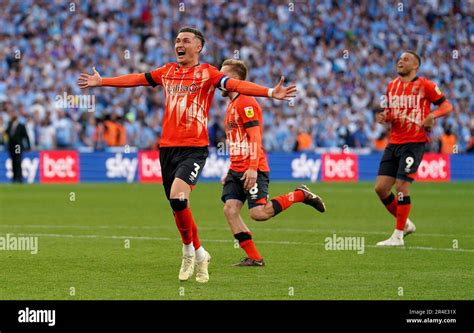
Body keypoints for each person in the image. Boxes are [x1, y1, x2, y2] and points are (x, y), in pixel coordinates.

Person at [77, 27, 296, 282]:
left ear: (198, 47)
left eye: (186, 40)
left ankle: (188, 251)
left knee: (178, 197)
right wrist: (103, 81)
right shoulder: (168, 71)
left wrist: (270, 92)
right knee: (177, 205)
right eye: (177, 40)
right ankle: (200, 251)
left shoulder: (208, 74)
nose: (179, 44)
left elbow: (236, 84)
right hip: (167, 149)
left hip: (194, 149)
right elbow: (138, 78)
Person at [220, 59, 325, 266]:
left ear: (236, 80)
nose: (220, 81)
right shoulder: (231, 104)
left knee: (258, 213)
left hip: (254, 168)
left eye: (224, 77)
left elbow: (255, 137)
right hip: (236, 169)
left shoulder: (246, 101)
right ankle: (254, 257)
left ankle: (300, 194)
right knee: (230, 210)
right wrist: (230, 169)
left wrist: (251, 168)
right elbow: (237, 141)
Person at [375, 51, 453, 246]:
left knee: (402, 186)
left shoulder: (425, 85)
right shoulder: (391, 86)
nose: (400, 61)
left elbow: (447, 106)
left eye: (406, 59)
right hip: (394, 143)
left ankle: (398, 235)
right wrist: (386, 117)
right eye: (399, 58)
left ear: (416, 66)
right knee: (381, 189)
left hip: (414, 143)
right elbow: (391, 112)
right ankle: (406, 224)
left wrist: (431, 116)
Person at [6, 112, 30, 183]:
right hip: (11, 146)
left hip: (17, 146)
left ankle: (19, 177)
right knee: (13, 161)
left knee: (18, 161)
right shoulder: (10, 125)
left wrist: (28, 146)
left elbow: (26, 136)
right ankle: (14, 177)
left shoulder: (21, 126)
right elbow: (7, 133)